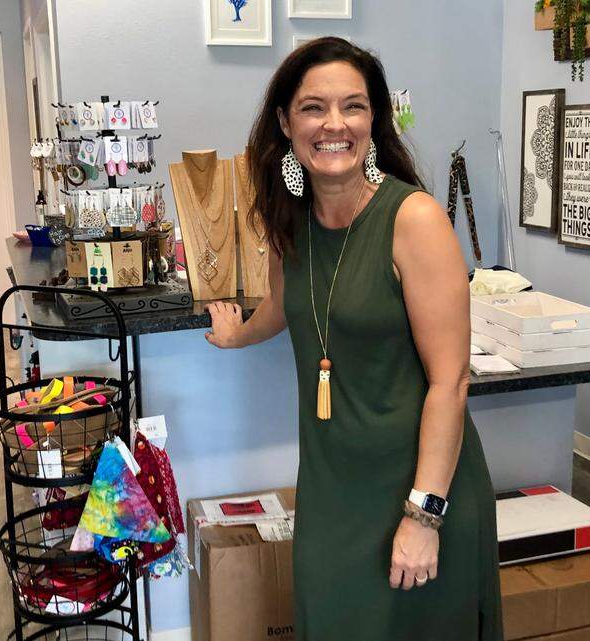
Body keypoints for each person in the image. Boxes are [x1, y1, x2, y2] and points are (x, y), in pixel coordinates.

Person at [204, 37, 501, 641]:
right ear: (286, 122)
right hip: (332, 486)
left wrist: (423, 517)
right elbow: (287, 305)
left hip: (417, 487)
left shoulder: (412, 219)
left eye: (353, 106)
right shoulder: (290, 218)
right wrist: (237, 336)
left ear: (374, 120)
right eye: (314, 107)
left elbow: (451, 381)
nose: (333, 124)